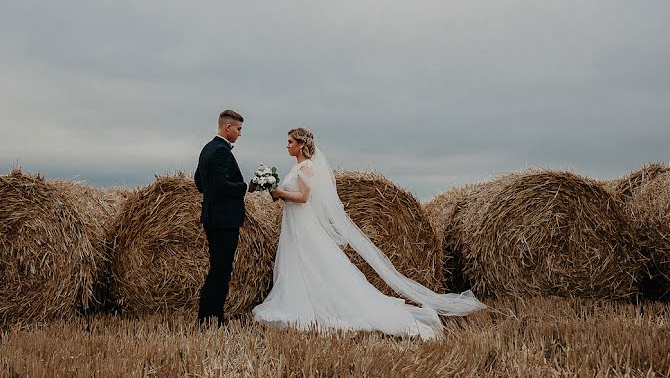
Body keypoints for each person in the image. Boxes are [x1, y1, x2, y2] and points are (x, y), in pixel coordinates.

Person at [252, 127, 486, 339]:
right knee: (297, 264)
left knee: (312, 264)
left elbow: (303, 197)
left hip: (304, 225)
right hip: (294, 224)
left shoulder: (307, 167)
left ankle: (314, 306)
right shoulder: (296, 167)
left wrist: (280, 193)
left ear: (301, 144)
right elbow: (288, 197)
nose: (287, 145)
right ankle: (297, 301)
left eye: (290, 141)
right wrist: (273, 191)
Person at [193, 109, 253, 327]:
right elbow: (221, 186)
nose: (239, 134)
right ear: (228, 128)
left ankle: (207, 317)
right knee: (221, 271)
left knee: (217, 268)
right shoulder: (220, 151)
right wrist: (246, 187)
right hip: (224, 220)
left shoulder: (207, 149)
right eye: (238, 129)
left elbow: (199, 182)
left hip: (212, 217)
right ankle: (212, 319)